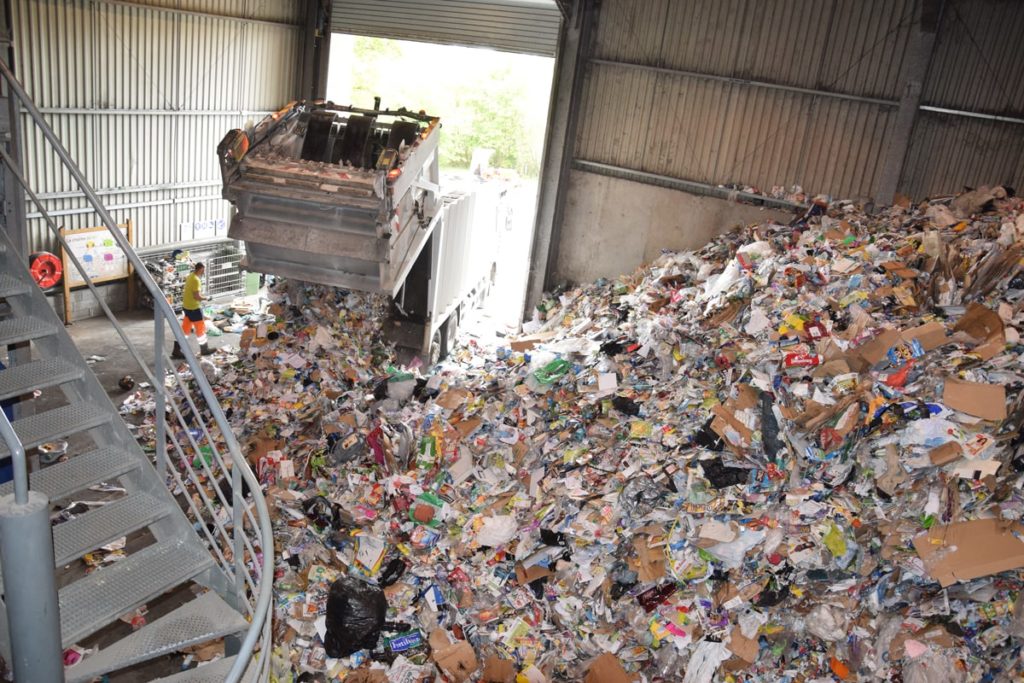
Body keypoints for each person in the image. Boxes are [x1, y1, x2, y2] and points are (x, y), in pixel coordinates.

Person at [172, 262, 213, 358]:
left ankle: (177, 350)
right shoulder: (196, 280)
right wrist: (206, 298)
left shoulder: (190, 276)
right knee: (200, 328)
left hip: (187, 307)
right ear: (201, 269)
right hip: (194, 308)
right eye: (203, 270)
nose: (204, 272)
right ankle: (204, 349)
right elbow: (197, 296)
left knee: (185, 329)